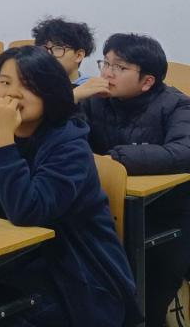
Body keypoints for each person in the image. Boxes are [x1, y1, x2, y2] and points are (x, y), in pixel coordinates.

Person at [0, 46, 137, 327]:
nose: (12, 94)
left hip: (69, 273)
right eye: (4, 82)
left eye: (28, 85)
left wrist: (4, 140)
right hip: (2, 260)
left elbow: (27, 211)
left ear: (50, 91)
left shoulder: (69, 141)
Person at [78, 33, 190, 327]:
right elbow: (63, 139)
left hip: (165, 216)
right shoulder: (93, 101)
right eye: (105, 63)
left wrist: (116, 159)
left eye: (119, 67)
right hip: (103, 211)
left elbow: (184, 152)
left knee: (147, 302)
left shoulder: (177, 105)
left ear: (147, 81)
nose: (107, 73)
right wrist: (73, 99)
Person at [32, 16, 96, 90]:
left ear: (79, 55)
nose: (48, 54)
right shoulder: (32, 85)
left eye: (58, 48)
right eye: (44, 48)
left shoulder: (92, 90)